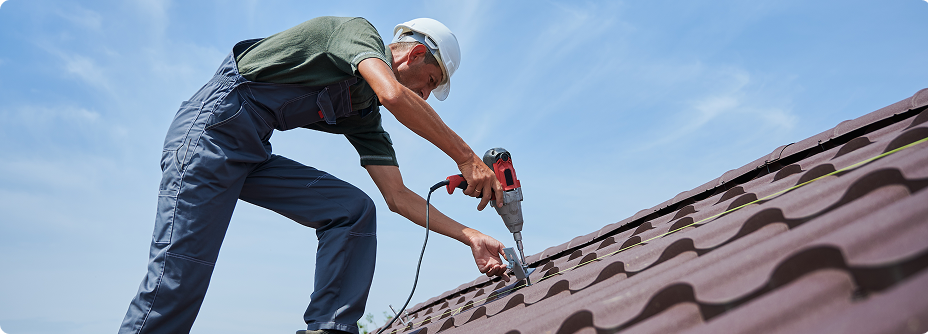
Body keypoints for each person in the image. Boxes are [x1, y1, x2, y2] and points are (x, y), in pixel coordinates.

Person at [119, 16, 510, 334]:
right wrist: (466, 157)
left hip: (251, 150)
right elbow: (392, 94)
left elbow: (397, 196)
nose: (424, 95)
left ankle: (329, 328)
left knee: (352, 210)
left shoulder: (363, 112)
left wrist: (470, 236)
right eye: (430, 82)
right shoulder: (356, 33)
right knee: (178, 277)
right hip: (210, 133)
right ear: (416, 54)